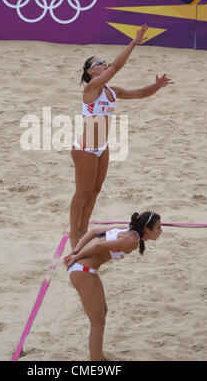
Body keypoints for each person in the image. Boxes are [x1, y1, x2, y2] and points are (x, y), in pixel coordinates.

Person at [69, 24, 173, 249]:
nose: (103, 64)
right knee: (82, 193)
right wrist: (133, 43)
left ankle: (83, 230)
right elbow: (116, 66)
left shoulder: (110, 91)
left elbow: (141, 93)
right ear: (90, 72)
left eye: (103, 61)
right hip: (85, 149)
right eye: (99, 63)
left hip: (102, 146)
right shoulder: (91, 89)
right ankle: (72, 234)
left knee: (95, 191)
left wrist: (156, 86)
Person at [63, 211, 162, 361]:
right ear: (147, 230)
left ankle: (98, 357)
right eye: (158, 227)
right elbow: (97, 246)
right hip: (83, 271)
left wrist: (76, 250)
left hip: (87, 269)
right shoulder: (132, 241)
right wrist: (76, 256)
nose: (161, 231)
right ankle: (97, 361)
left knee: (103, 312)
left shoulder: (129, 230)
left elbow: (94, 232)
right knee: (98, 322)